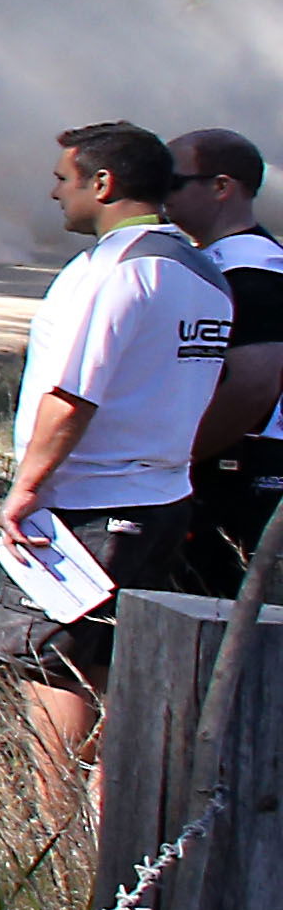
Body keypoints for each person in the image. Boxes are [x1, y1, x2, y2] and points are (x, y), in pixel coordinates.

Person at [0, 121, 232, 818]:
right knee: (112, 669)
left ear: (104, 184)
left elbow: (72, 396)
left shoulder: (114, 272)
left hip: (82, 507)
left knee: (53, 664)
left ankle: (52, 834)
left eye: (63, 179)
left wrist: (27, 488)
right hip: (161, 500)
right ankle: (113, 822)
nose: (53, 191)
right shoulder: (203, 272)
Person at [162, 127, 283, 595]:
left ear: (221, 186)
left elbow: (254, 383)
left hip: (241, 473)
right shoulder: (219, 262)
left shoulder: (253, 270)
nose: (161, 194)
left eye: (173, 182)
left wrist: (177, 458)